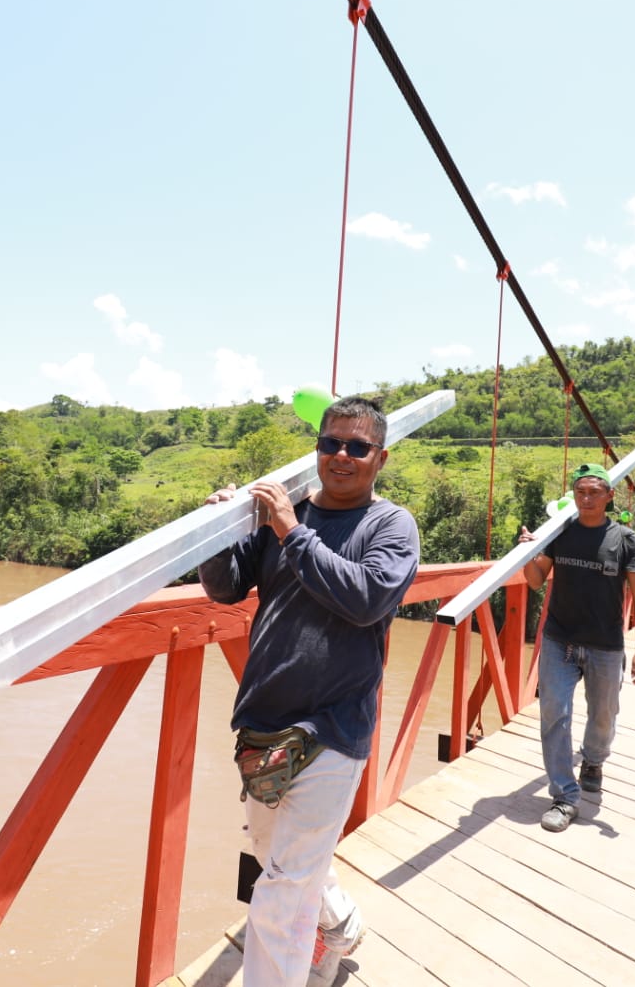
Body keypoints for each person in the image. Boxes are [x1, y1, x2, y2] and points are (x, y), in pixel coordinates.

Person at [198, 396, 420, 987]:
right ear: (317, 449)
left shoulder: (389, 525)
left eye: (357, 447)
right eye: (330, 444)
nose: (342, 456)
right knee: (284, 862)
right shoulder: (283, 516)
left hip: (334, 727)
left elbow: (368, 597)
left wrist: (291, 531)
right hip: (265, 722)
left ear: (381, 457)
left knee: (282, 890)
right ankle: (341, 925)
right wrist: (217, 534)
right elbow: (224, 589)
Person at [519, 463, 635, 832]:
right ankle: (564, 795)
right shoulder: (560, 533)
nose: (587, 498)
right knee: (554, 712)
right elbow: (534, 582)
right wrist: (529, 552)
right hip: (559, 639)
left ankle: (593, 760)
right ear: (573, 496)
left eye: (595, 491)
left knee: (604, 714)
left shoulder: (625, 539)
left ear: (610, 496)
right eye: (581, 492)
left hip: (605, 644)